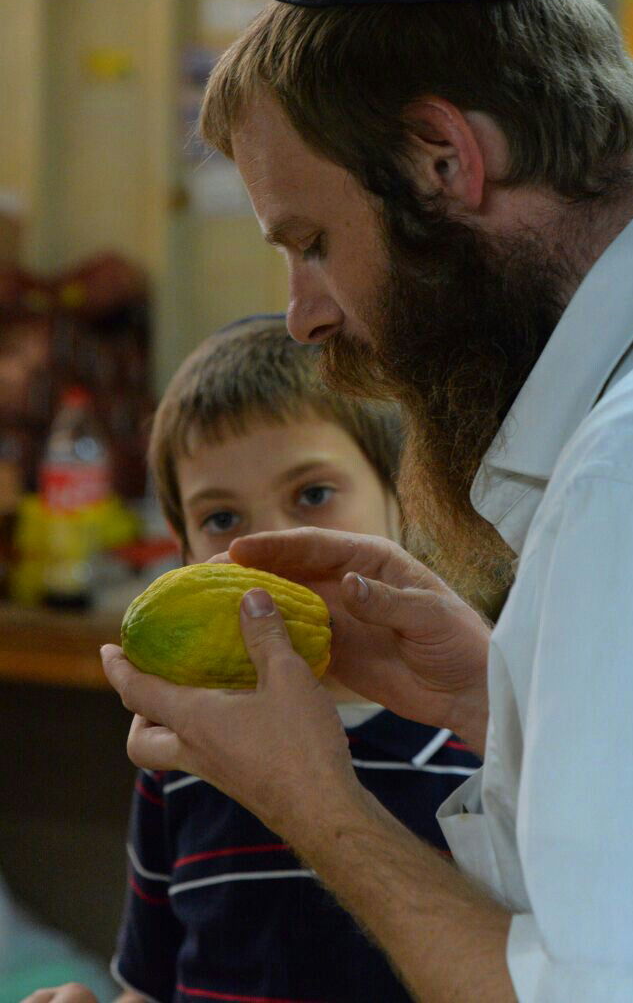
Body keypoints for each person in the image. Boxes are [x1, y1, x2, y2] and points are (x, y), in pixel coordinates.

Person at [98, 0, 633, 1000]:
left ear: (440, 158)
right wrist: (492, 699)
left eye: (312, 242)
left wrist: (316, 806)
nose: (303, 315)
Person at [26, 317, 481, 1003]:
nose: (267, 547)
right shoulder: (187, 758)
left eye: (313, 495)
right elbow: (151, 986)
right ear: (184, 555)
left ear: (404, 508)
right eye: (220, 520)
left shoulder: (478, 751)